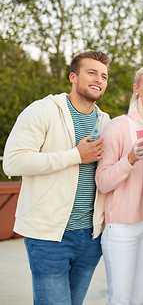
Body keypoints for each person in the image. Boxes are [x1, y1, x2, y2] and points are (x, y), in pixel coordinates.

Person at [3, 50, 111, 305]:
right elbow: (13, 161)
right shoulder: (43, 111)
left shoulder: (106, 122)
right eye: (92, 73)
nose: (99, 79)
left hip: (91, 237)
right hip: (49, 237)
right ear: (73, 77)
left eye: (104, 76)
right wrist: (74, 155)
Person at [95, 65, 143, 304]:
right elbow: (103, 182)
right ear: (136, 89)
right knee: (120, 299)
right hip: (121, 228)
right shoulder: (118, 126)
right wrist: (131, 159)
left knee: (140, 299)